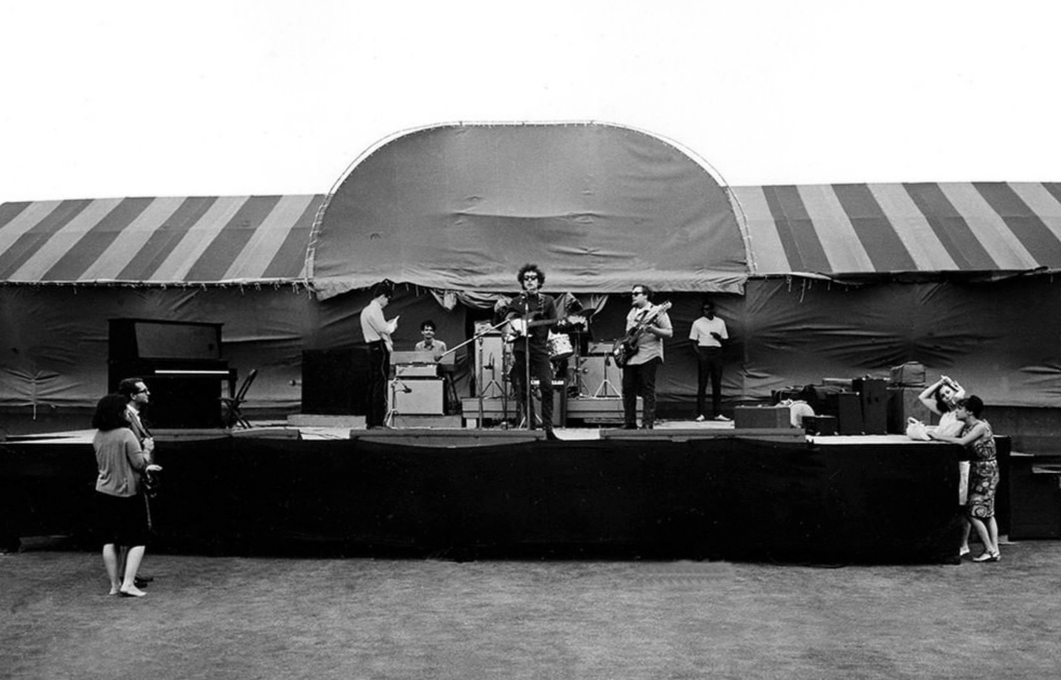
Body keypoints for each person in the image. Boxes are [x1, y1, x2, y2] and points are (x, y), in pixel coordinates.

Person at [92, 393, 161, 597]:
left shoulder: (98, 435)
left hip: (103, 491)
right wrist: (147, 449)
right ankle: (128, 584)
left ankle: (115, 585)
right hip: (127, 493)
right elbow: (139, 464)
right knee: (137, 540)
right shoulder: (126, 434)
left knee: (109, 540)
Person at [930, 395, 1001, 563]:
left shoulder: (980, 427)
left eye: (960, 409)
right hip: (980, 470)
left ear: (969, 412)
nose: (956, 411)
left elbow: (962, 442)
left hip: (986, 472)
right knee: (987, 512)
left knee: (973, 512)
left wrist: (937, 436)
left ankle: (990, 550)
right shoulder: (968, 426)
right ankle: (994, 550)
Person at [493, 264, 558, 439]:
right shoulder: (516, 302)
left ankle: (548, 429)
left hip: (540, 348)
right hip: (521, 349)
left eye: (533, 278)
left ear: (539, 282)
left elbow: (554, 325)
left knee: (547, 385)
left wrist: (563, 323)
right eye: (526, 278)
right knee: (523, 388)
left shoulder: (547, 301)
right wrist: (501, 315)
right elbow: (504, 325)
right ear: (522, 282)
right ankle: (531, 428)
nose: (529, 281)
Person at [916, 374, 972, 555]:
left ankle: (964, 544)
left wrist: (953, 387)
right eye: (943, 395)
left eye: (948, 393)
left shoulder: (962, 413)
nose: (946, 397)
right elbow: (922, 397)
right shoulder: (945, 413)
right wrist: (940, 383)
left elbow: (960, 394)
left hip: (960, 461)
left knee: (962, 505)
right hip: (944, 461)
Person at [621, 284, 673, 429]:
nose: (633, 296)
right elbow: (628, 335)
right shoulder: (632, 313)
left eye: (636, 293)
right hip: (631, 356)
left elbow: (669, 332)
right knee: (628, 389)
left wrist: (653, 329)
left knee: (647, 388)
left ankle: (648, 423)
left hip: (649, 354)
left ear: (646, 295)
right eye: (632, 293)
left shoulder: (657, 311)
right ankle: (630, 422)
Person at [360, 282, 399, 429]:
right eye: (388, 299)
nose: (387, 303)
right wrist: (393, 324)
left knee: (372, 384)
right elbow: (385, 329)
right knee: (380, 385)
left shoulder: (365, 310)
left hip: (371, 347)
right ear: (383, 297)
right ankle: (378, 421)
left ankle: (370, 421)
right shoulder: (375, 309)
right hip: (379, 348)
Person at [689, 300, 729, 422]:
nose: (705, 312)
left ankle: (718, 413)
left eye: (708, 309)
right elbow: (693, 341)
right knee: (702, 383)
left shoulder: (720, 322)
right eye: (704, 310)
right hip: (704, 350)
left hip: (717, 351)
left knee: (717, 383)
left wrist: (718, 337)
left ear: (713, 310)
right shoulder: (697, 323)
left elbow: (725, 340)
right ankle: (700, 413)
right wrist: (700, 354)